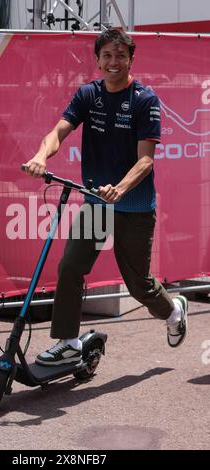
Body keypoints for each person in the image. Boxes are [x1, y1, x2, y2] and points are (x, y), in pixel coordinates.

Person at [24, 28, 188, 366]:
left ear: (131, 59)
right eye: (107, 56)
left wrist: (121, 188)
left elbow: (146, 159)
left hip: (135, 206)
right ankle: (68, 341)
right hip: (96, 202)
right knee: (70, 266)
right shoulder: (88, 95)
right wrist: (42, 155)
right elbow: (58, 131)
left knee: (139, 285)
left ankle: (173, 312)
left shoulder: (145, 99)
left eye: (120, 56)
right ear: (98, 60)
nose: (114, 62)